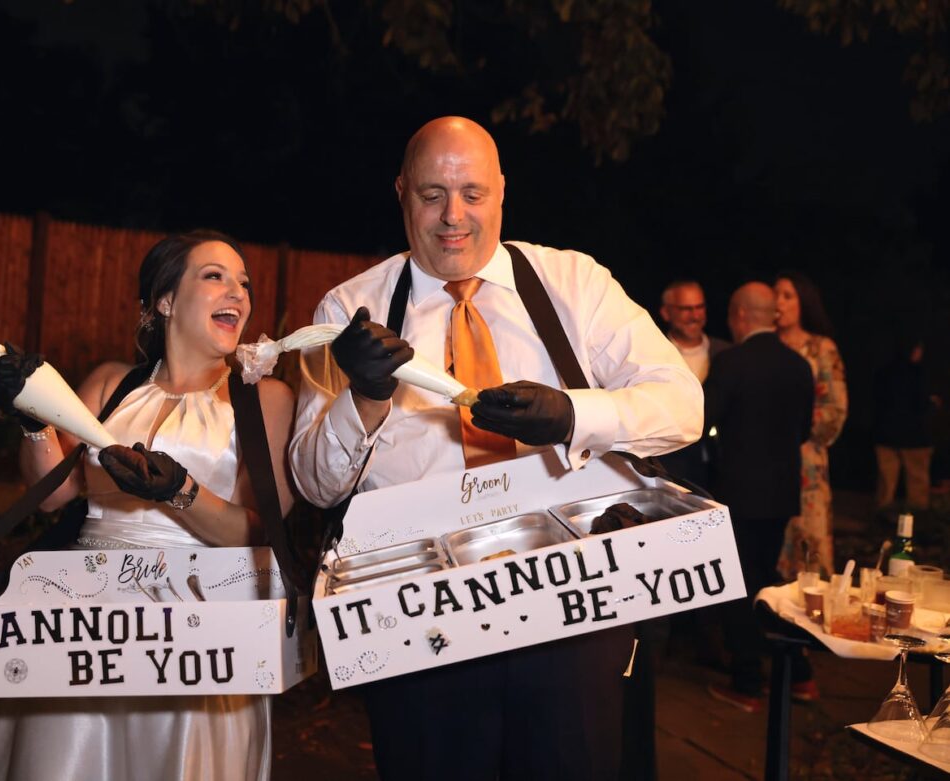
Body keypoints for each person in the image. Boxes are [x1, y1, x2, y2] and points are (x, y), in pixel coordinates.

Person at [289, 116, 702, 781]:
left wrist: (574, 414)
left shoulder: (574, 283)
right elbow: (315, 483)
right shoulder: (349, 308)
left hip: (572, 608)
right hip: (418, 621)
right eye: (432, 195)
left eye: (472, 194)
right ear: (401, 192)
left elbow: (683, 404)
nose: (453, 216)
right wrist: (362, 397)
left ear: (502, 191)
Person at [0, 230, 295, 781]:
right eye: (215, 276)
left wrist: (179, 492)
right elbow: (53, 494)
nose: (238, 293)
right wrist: (33, 420)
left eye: (244, 283)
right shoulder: (111, 384)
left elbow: (256, 533)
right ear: (165, 300)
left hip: (197, 631)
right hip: (83, 621)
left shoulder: (263, 398)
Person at [702, 282, 814, 713]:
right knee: (768, 579)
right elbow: (804, 430)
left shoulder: (731, 362)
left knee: (736, 585)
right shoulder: (798, 365)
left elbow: (704, 420)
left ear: (739, 315)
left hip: (739, 491)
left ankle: (748, 682)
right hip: (782, 492)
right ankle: (799, 672)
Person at [773, 270, 847, 580]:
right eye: (775, 295)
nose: (779, 302)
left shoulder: (821, 348)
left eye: (787, 296)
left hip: (806, 459)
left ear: (803, 302)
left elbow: (835, 407)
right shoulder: (765, 345)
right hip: (766, 458)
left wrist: (797, 429)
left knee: (808, 543)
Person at [658, 279, 730, 489]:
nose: (695, 315)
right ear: (666, 313)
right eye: (686, 309)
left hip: (721, 466)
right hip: (672, 465)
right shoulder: (655, 353)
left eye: (699, 307)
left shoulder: (725, 352)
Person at [874, 332, 939, 510]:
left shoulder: (884, 373)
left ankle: (882, 518)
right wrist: (932, 403)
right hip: (915, 438)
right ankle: (916, 520)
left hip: (886, 436)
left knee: (886, 484)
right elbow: (921, 403)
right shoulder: (919, 375)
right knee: (917, 484)